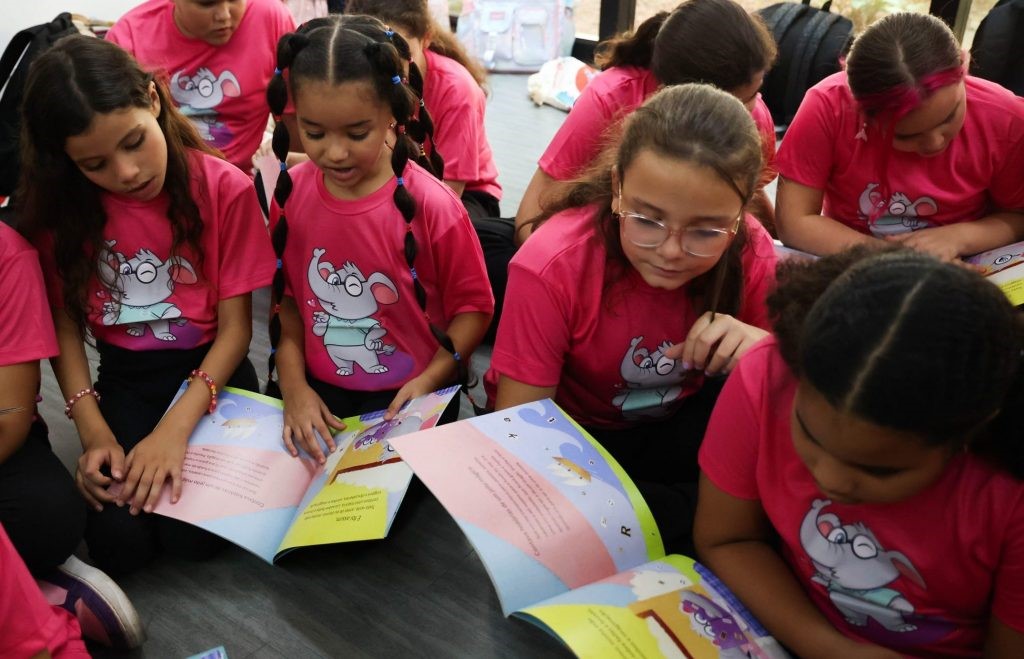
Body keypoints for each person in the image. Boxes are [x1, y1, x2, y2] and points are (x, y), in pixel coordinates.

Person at [17, 36, 276, 576]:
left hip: (214, 376)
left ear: (153, 99)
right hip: (127, 379)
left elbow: (236, 331)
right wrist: (92, 430)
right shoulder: (63, 209)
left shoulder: (224, 188)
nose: (127, 172)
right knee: (119, 544)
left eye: (134, 142)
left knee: (192, 539)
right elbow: (64, 324)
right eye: (96, 164)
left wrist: (174, 431)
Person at [696, 247, 1024, 658]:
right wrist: (828, 647)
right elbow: (728, 539)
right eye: (809, 437)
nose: (830, 481)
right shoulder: (767, 376)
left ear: (969, 434)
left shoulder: (1008, 495)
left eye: (880, 471)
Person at [488, 84, 777, 550]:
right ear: (618, 189)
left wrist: (762, 353)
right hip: (573, 433)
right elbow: (523, 429)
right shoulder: (551, 265)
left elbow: (789, 404)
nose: (671, 251)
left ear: (742, 214)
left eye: (705, 231)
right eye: (646, 220)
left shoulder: (753, 253)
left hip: (675, 423)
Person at [264, 20, 493, 463]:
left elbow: (474, 310)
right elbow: (287, 302)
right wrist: (293, 388)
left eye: (356, 133)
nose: (334, 152)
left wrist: (430, 381)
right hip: (318, 391)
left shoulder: (435, 206)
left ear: (393, 113)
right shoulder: (290, 193)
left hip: (410, 396)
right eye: (314, 133)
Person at [514, 0, 779, 243]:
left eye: (755, 93)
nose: (749, 112)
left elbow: (752, 199)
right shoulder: (611, 97)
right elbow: (530, 218)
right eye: (741, 101)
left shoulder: (754, 117)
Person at [774, 12, 1024, 261]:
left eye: (949, 117)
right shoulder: (828, 107)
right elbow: (795, 221)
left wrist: (959, 238)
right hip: (853, 258)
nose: (935, 142)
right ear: (860, 112)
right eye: (906, 136)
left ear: (963, 65)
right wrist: (900, 259)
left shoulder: (1007, 118)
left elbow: (1017, 215)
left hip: (965, 259)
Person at [0, 221, 144, 650]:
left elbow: (9, 419)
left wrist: (96, 431)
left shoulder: (11, 254)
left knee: (49, 519)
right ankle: (28, 589)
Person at [343, 0, 502, 221]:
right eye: (376, 55)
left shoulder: (458, 91)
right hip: (388, 180)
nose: (388, 69)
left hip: (463, 194)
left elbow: (449, 195)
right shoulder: (359, 81)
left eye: (400, 54)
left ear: (426, 38)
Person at [106, 0, 295, 171]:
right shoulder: (128, 39)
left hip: (243, 178)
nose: (224, 15)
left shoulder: (271, 18)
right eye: (206, 4)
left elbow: (294, 119)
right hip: (166, 177)